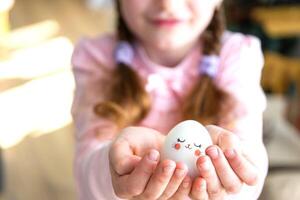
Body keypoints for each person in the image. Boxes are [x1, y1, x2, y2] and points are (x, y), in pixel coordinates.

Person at [71, 0, 268, 199]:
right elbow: (87, 178)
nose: (168, 4)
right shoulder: (96, 57)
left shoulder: (238, 55)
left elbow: (252, 169)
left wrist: (230, 184)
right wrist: (115, 167)